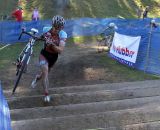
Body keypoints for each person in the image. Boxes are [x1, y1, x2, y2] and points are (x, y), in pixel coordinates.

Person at [31, 15, 67, 102]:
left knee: (43, 74)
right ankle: (46, 94)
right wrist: (34, 39)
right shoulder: (46, 29)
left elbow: (61, 51)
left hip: (54, 57)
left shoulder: (63, 34)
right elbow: (41, 38)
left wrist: (52, 44)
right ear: (53, 25)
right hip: (44, 54)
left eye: (60, 27)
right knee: (46, 73)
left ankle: (37, 78)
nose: (58, 29)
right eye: (57, 27)